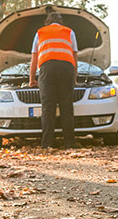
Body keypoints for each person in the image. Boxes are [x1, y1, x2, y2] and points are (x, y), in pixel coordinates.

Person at [29, 11, 81, 149]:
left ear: (47, 21)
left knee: (48, 108)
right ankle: (69, 143)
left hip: (47, 69)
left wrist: (32, 79)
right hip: (66, 69)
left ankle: (46, 144)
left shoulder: (40, 33)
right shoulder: (69, 32)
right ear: (61, 21)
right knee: (66, 107)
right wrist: (74, 77)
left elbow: (34, 58)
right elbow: (74, 56)